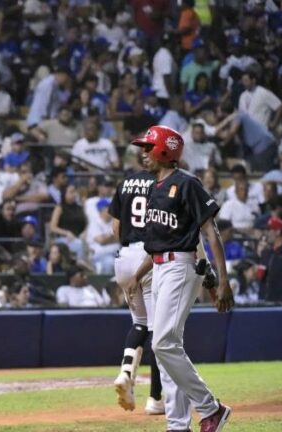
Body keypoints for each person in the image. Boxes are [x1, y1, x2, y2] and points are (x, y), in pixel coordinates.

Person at [128, 125, 234, 432]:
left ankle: (211, 408)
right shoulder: (153, 188)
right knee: (166, 350)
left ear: (165, 150)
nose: (143, 152)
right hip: (160, 267)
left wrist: (221, 280)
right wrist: (138, 275)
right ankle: (177, 425)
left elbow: (210, 233)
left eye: (148, 147)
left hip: (181, 266)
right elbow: (158, 243)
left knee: (162, 343)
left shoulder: (187, 183)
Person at [109, 165, 164, 415]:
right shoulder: (161, 183)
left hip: (125, 256)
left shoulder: (124, 184)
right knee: (156, 330)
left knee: (139, 323)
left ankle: (126, 371)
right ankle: (155, 398)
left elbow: (115, 228)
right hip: (149, 256)